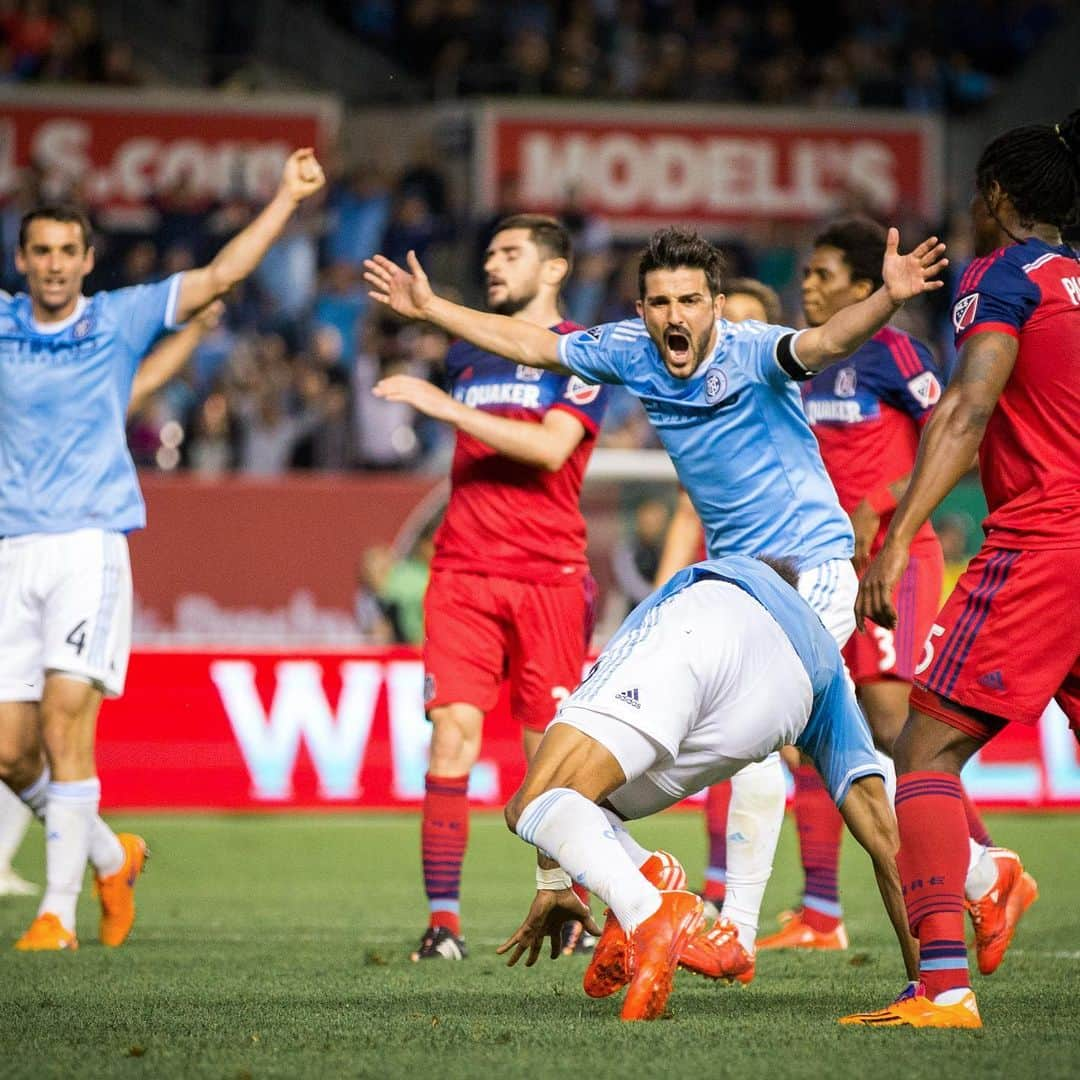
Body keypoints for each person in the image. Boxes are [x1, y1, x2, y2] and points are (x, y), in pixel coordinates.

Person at [364, 222, 947, 981]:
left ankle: (712, 918)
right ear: (641, 309)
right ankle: (941, 944)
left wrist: (888, 302)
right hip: (739, 586)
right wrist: (433, 308)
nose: (677, 317)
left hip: (811, 576)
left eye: (692, 301)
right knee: (845, 780)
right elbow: (532, 347)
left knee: (730, 748)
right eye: (661, 302)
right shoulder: (628, 351)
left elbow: (826, 343)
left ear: (714, 305)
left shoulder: (748, 349)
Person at [0, 148, 326, 951]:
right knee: (10, 753)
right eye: (38, 251)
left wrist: (284, 195)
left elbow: (219, 275)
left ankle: (57, 913)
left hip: (88, 542)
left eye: (65, 252)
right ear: (21, 259)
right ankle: (114, 855)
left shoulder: (116, 319)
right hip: (12, 546)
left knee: (68, 724)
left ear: (86, 261)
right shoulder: (4, 327)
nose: (51, 265)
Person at [843, 110, 1080, 1028]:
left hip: (1045, 541)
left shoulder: (1001, 276)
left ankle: (940, 985)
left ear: (996, 199)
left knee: (926, 749)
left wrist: (901, 534)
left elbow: (970, 407)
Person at [495, 554, 914, 1021]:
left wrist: (553, 877)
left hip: (710, 621)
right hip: (788, 698)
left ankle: (645, 909)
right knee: (595, 804)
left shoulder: (716, 573)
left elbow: (569, 759)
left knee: (531, 803)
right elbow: (883, 834)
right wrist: (930, 979)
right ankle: (650, 875)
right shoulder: (830, 665)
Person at [758, 219, 1005, 954]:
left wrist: (883, 501)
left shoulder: (894, 351)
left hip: (897, 558)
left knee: (897, 731)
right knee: (814, 731)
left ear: (865, 288)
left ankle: (992, 871)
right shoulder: (801, 363)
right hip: (827, 567)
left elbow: (961, 441)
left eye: (822, 274)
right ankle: (823, 913)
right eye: (804, 274)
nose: (806, 284)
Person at [370, 215, 609, 962]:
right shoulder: (471, 353)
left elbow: (548, 449)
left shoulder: (585, 356)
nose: (494, 264)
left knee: (551, 758)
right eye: (490, 253)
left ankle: (564, 900)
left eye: (511, 253)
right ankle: (443, 925)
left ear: (556, 268)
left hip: (549, 577)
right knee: (452, 736)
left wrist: (444, 406)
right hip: (464, 572)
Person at [648, 276, 781, 916]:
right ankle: (729, 897)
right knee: (740, 745)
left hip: (801, 589)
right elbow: (685, 511)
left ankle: (973, 870)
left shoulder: (786, 403)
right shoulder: (703, 412)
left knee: (866, 743)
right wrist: (658, 599)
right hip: (731, 594)